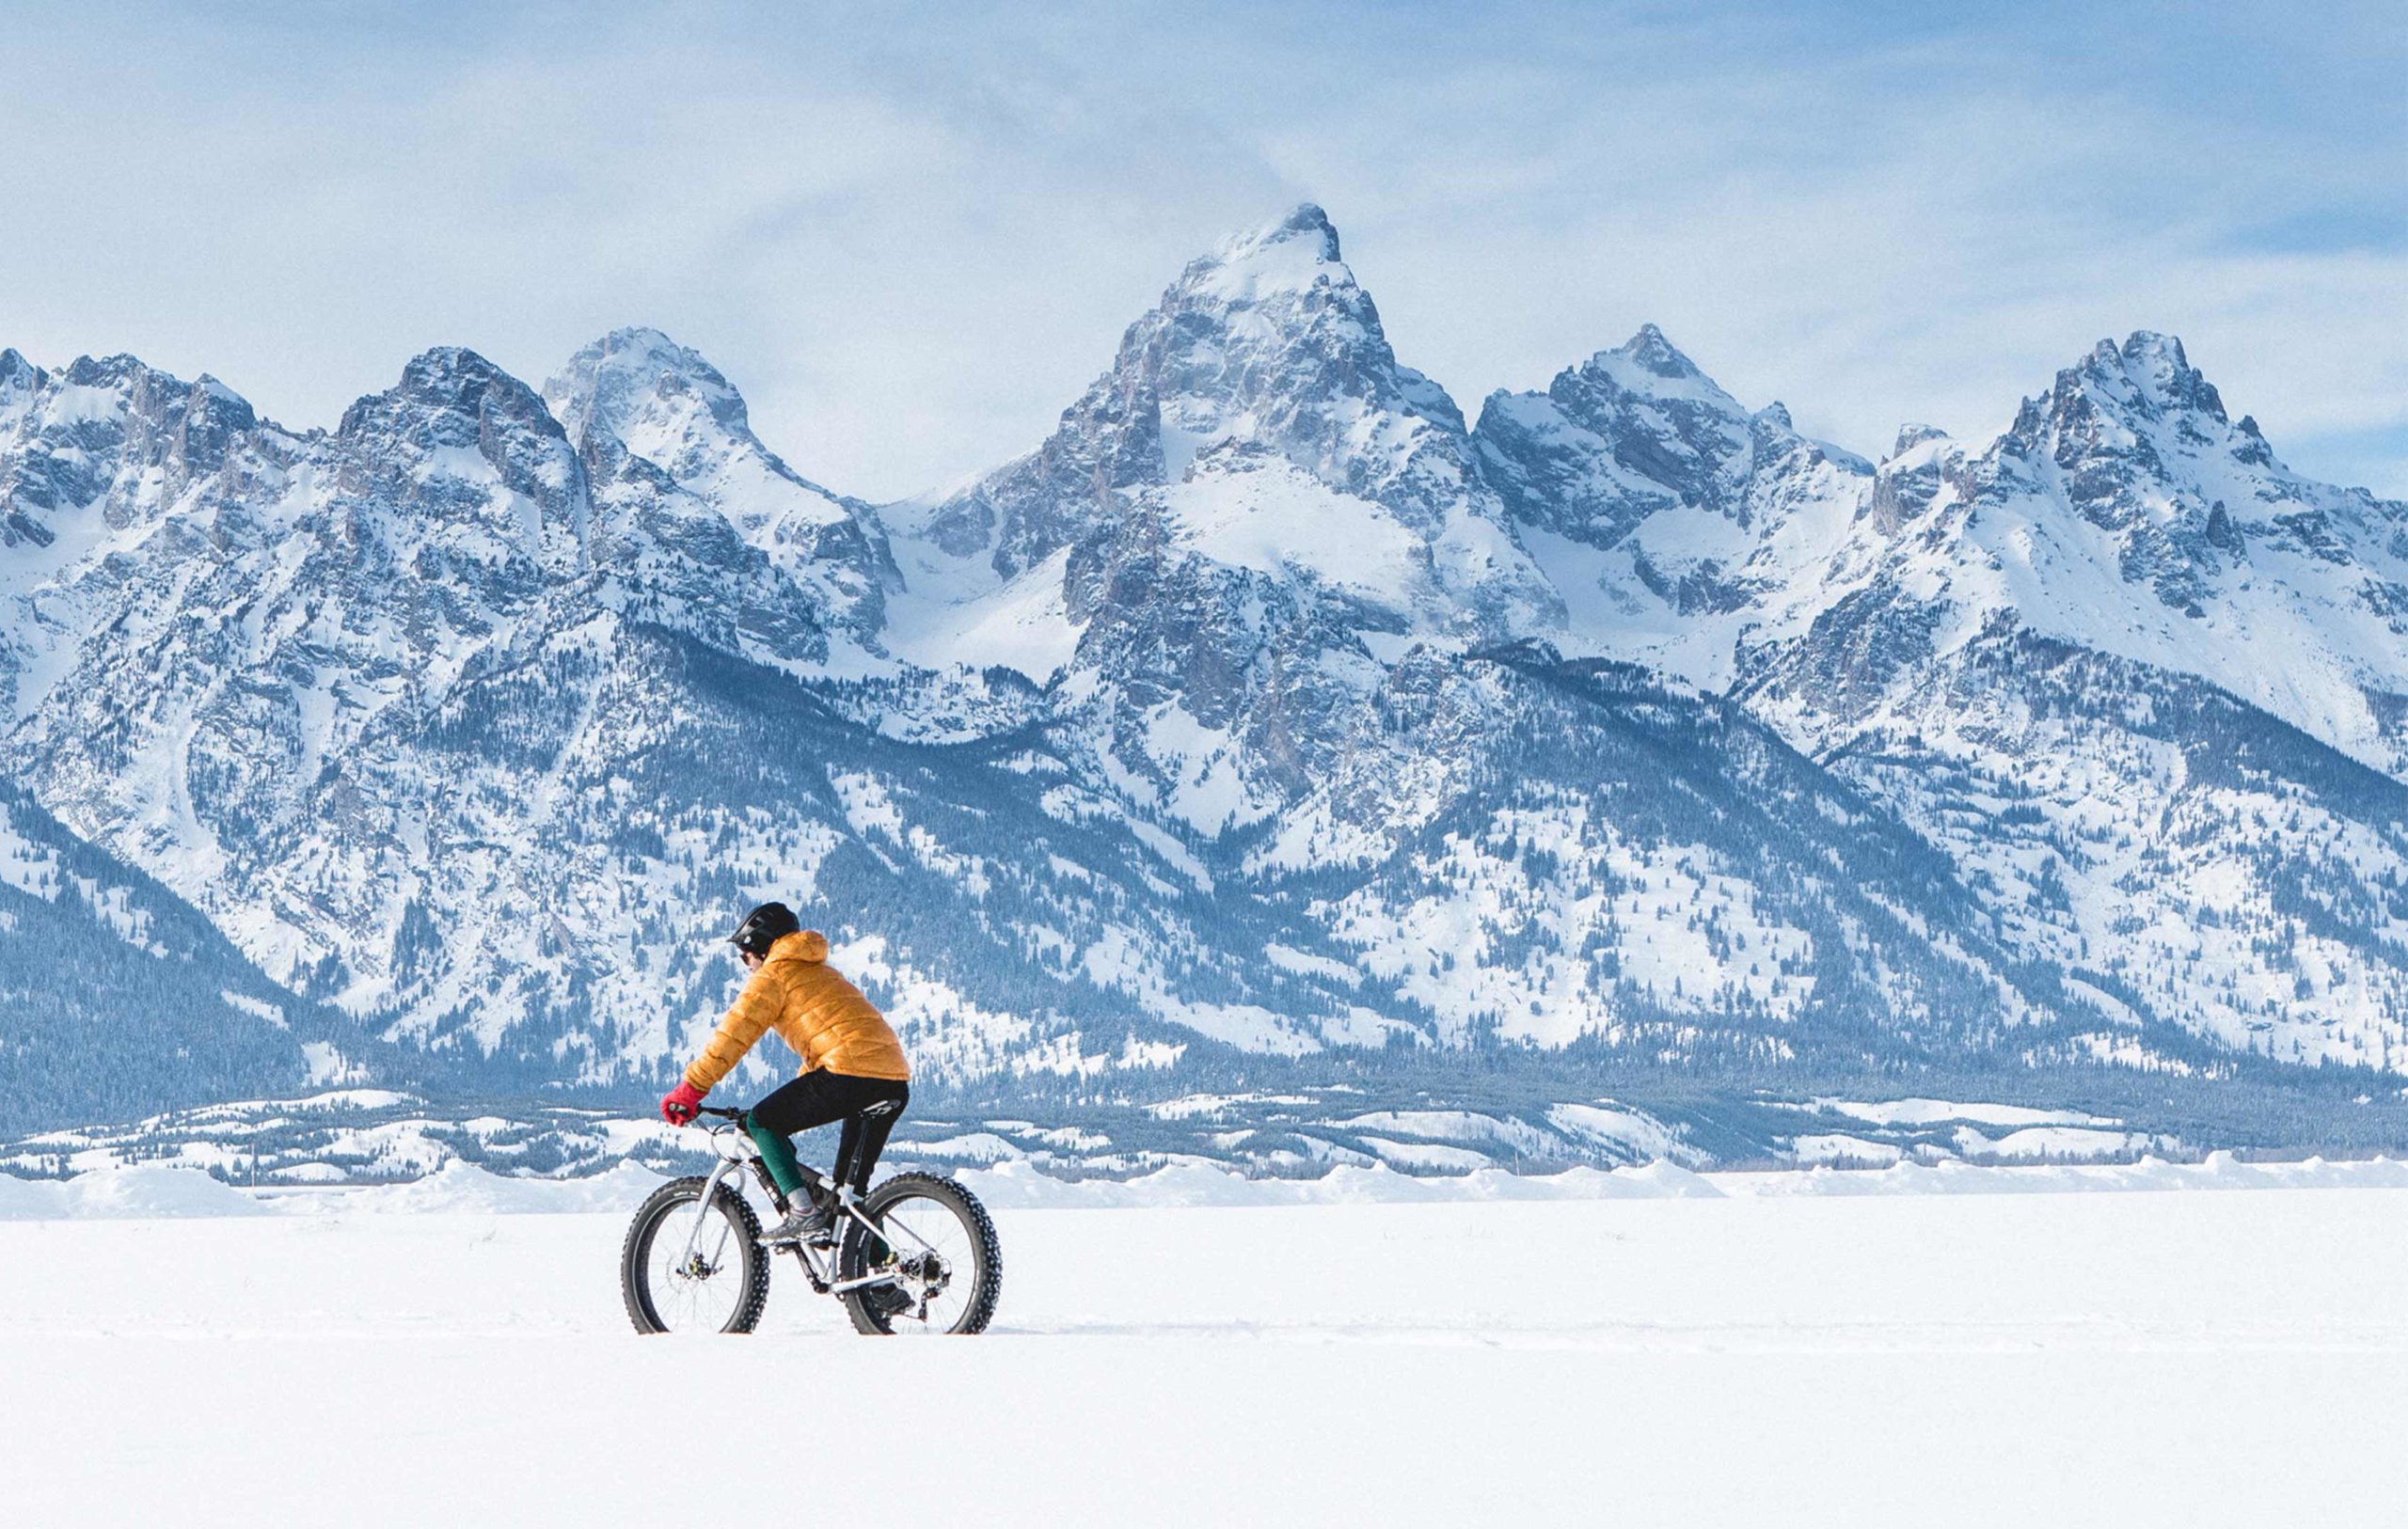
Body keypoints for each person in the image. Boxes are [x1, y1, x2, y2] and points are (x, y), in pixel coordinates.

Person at [659, 902, 911, 1246]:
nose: (745, 965)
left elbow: (733, 1036)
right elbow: (831, 1048)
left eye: (744, 955)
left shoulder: (774, 975)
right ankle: (885, 1287)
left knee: (763, 1121)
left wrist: (691, 1089)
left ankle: (803, 1213)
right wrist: (792, 1096)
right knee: (847, 1201)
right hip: (891, 1080)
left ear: (759, 947)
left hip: (850, 1075)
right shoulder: (820, 972)